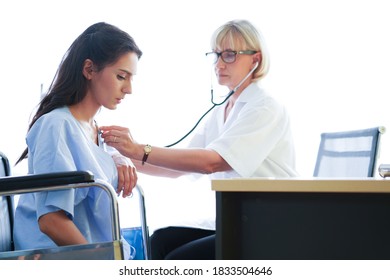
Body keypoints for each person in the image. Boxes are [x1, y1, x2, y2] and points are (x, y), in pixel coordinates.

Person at [100, 19, 298, 259]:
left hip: (269, 224)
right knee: (158, 242)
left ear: (255, 59)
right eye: (215, 55)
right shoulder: (222, 110)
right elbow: (178, 167)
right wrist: (124, 159)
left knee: (177, 261)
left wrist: (138, 149)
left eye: (229, 55)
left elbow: (210, 162)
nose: (219, 64)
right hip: (235, 219)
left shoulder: (264, 107)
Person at [13, 22, 142, 259]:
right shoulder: (55, 125)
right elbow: (51, 221)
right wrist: (99, 262)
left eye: (131, 78)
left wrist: (118, 157)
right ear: (89, 69)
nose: (129, 89)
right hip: (57, 257)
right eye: (121, 76)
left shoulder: (92, 129)